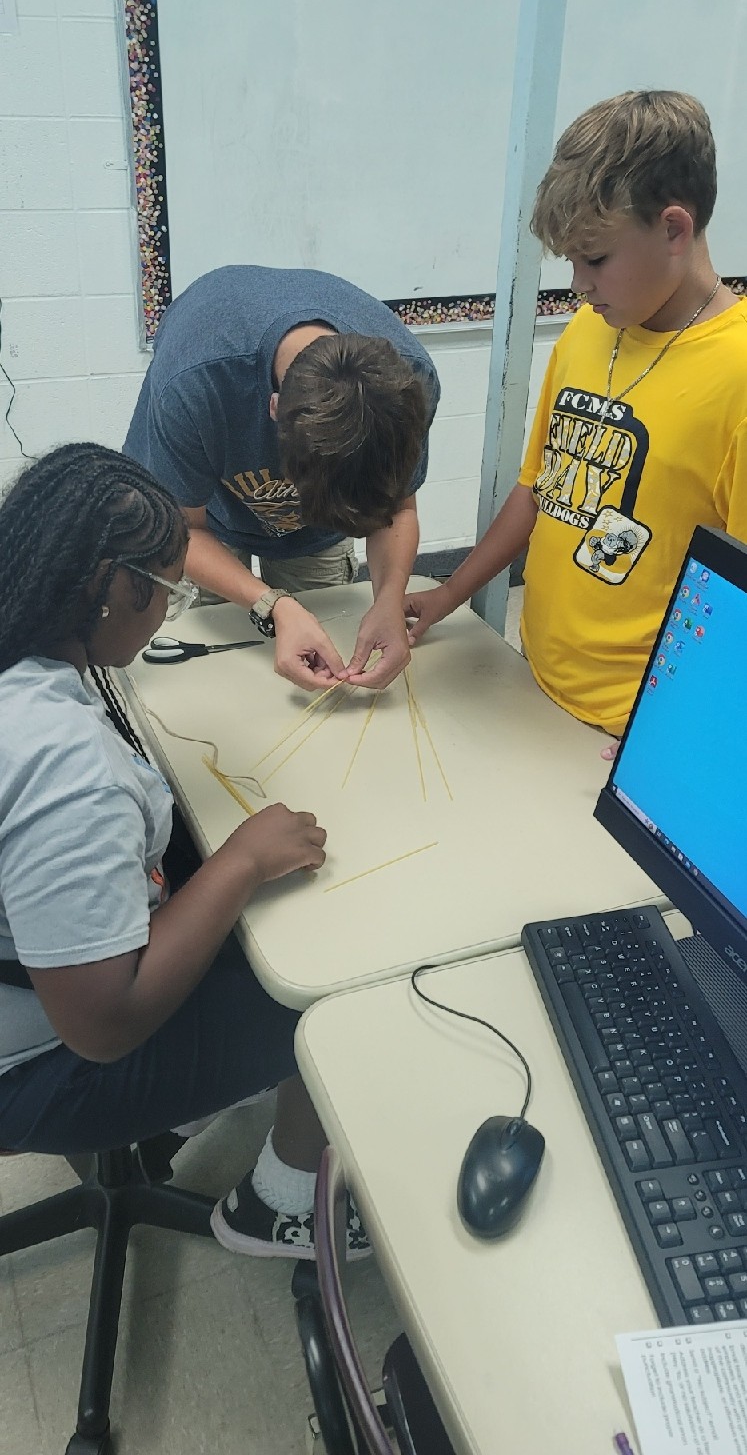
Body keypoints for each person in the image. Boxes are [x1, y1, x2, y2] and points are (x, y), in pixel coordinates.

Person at [0, 443, 368, 1260]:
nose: (170, 608)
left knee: (215, 874)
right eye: (168, 588)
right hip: (36, 1062)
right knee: (325, 984)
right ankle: (279, 1208)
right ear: (108, 591)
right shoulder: (64, 771)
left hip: (27, 974)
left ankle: (206, 1090)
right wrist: (238, 861)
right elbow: (103, 1025)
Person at [404, 90, 747, 739]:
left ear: (673, 229)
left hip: (632, 724)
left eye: (594, 259)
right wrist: (449, 595)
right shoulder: (587, 334)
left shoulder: (737, 377)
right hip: (532, 676)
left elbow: (737, 606)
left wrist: (673, 736)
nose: (578, 285)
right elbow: (539, 490)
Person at [124, 265, 440, 693]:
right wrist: (273, 605)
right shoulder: (193, 382)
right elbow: (179, 530)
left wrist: (388, 599)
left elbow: (397, 509)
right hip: (202, 520)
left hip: (311, 542)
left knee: (317, 655)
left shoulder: (408, 386)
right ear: (273, 410)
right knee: (208, 672)